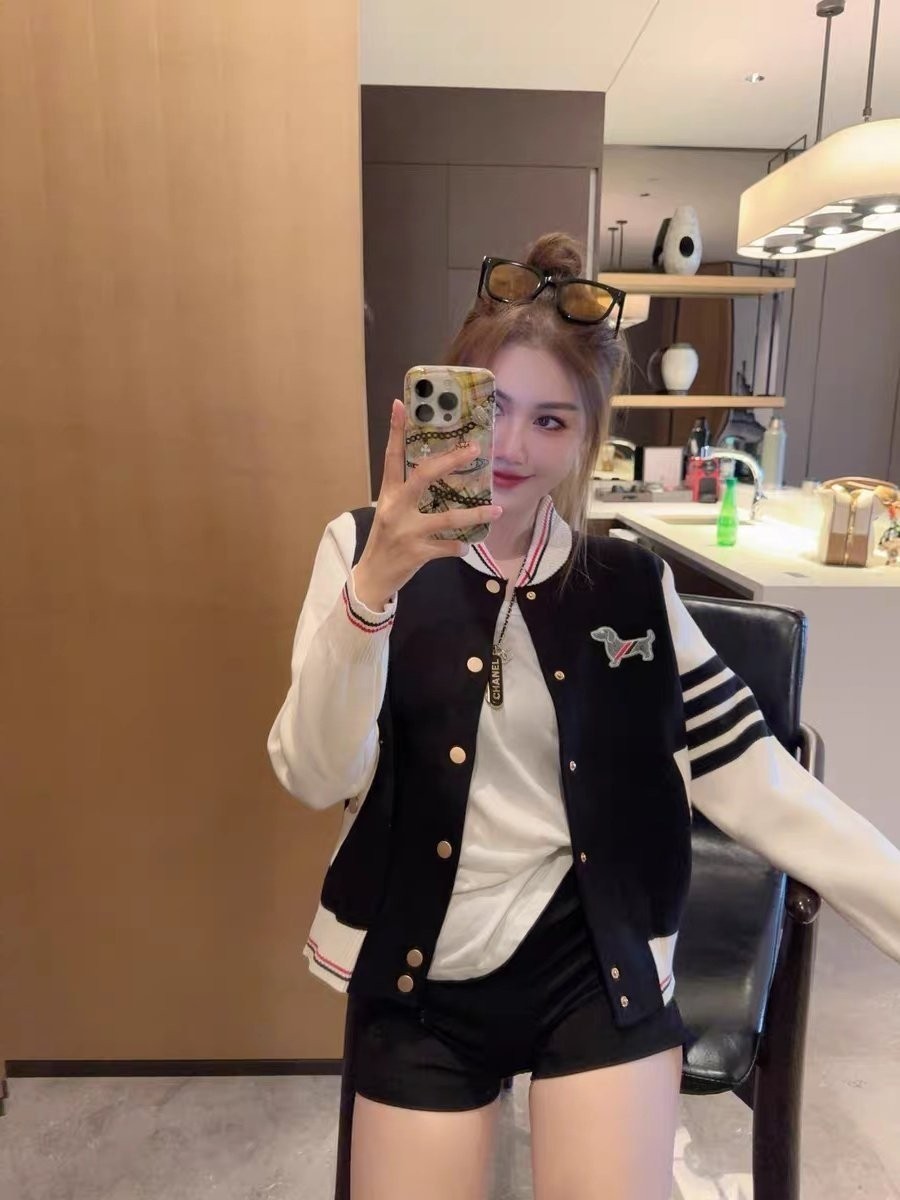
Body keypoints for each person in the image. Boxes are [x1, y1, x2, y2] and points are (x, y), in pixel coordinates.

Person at [267, 233, 900, 1200]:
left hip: (594, 957)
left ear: (585, 439)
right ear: (444, 405)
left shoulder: (628, 584)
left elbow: (755, 771)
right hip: (419, 963)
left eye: (552, 420)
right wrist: (376, 590)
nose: (512, 448)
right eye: (492, 410)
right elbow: (315, 775)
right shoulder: (360, 550)